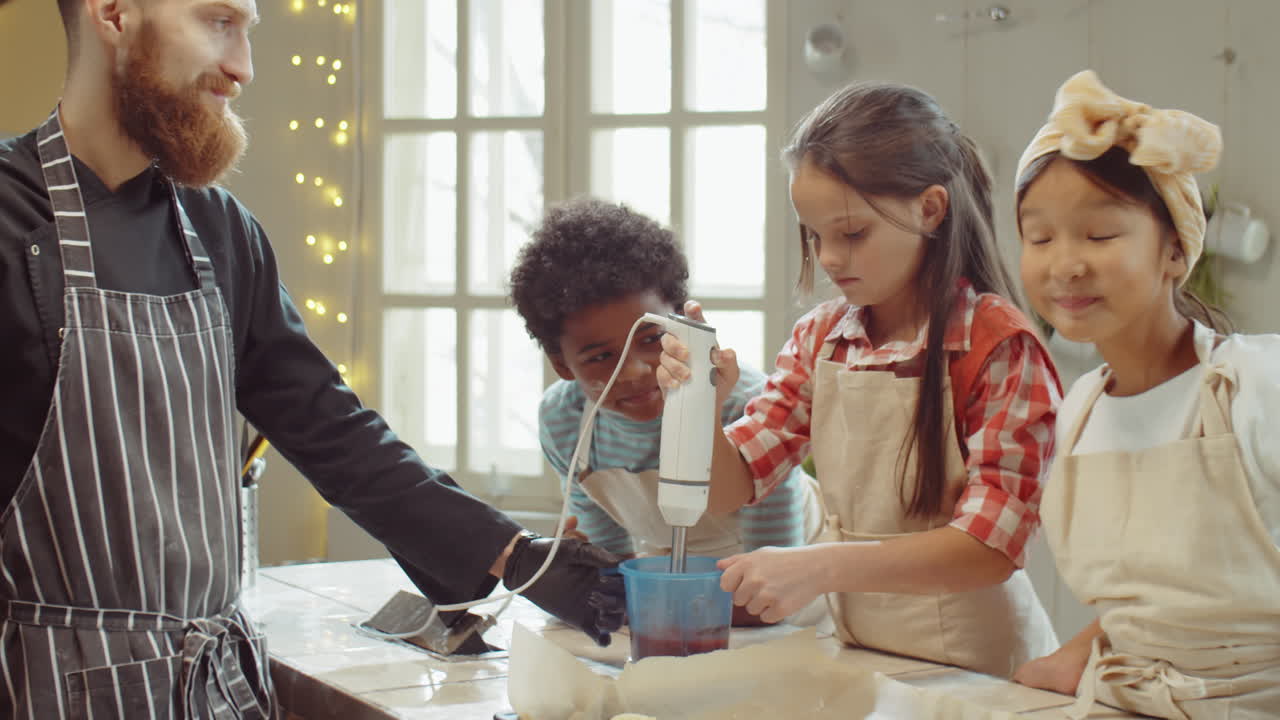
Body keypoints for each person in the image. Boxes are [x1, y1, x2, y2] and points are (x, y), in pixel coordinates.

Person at [0, 0, 622, 715]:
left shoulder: (217, 230)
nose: (242, 68)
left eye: (247, 31)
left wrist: (517, 557)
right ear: (113, 13)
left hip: (212, 691)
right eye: (218, 22)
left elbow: (332, 429)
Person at [658, 81, 1061, 678]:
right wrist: (700, 405)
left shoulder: (999, 346)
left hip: (984, 671)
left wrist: (820, 566)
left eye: (851, 234)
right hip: (868, 658)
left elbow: (988, 550)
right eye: (814, 236)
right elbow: (728, 490)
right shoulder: (822, 339)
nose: (828, 259)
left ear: (929, 209)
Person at [1010, 70, 1280, 718]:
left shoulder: (1255, 386)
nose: (1065, 264)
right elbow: (1163, 599)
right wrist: (1075, 656)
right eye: (1039, 237)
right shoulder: (1077, 414)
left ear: (1174, 250)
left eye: (1100, 234)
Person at [508, 197, 824, 625]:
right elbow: (613, 569)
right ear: (562, 364)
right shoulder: (565, 424)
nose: (635, 371)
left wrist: (654, 602)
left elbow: (773, 591)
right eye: (601, 357)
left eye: (652, 339)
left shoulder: (745, 402)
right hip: (677, 586)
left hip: (790, 593)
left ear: (687, 322)